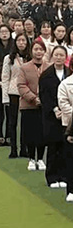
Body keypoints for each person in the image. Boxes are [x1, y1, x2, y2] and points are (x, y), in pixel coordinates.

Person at [39, 45, 69, 188]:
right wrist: (55, 109)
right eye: (56, 55)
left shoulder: (69, 73)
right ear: (52, 57)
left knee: (64, 147)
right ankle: (51, 177)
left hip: (67, 116)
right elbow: (44, 96)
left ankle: (63, 176)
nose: (59, 58)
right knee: (52, 147)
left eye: (61, 55)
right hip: (51, 116)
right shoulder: (46, 75)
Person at [17, 41, 49, 172]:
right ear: (31, 51)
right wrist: (33, 98)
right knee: (29, 133)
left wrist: (44, 99)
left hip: (45, 106)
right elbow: (21, 85)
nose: (38, 52)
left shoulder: (49, 67)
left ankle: (40, 158)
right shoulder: (25, 67)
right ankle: (31, 158)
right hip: (29, 105)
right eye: (36, 49)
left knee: (42, 133)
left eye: (41, 49)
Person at [1, 34, 30, 158]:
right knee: (12, 122)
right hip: (13, 91)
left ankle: (24, 148)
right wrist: (5, 96)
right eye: (19, 40)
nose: (21, 43)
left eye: (23, 40)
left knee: (25, 122)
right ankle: (13, 148)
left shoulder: (30, 58)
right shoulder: (9, 58)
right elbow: (5, 77)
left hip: (27, 92)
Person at [59, 74, 73, 202]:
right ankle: (71, 189)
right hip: (69, 124)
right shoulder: (66, 84)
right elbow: (63, 103)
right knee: (71, 159)